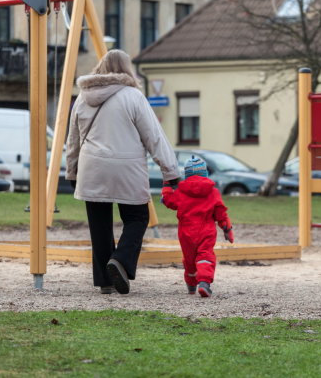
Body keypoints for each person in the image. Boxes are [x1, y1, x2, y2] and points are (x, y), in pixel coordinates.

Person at [65, 50, 180, 295]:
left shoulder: (83, 99)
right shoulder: (133, 96)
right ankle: (121, 260)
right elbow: (154, 137)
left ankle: (105, 281)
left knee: (99, 224)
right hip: (127, 168)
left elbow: (73, 140)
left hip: (91, 167)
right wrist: (170, 171)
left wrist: (72, 171)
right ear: (126, 68)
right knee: (137, 218)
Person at [161, 155, 234, 297]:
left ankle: (191, 285)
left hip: (186, 231)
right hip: (206, 229)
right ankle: (204, 283)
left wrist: (167, 186)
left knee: (189, 258)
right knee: (205, 255)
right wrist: (227, 228)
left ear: (186, 174)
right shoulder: (213, 192)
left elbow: (168, 201)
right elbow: (220, 212)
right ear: (205, 173)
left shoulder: (181, 191)